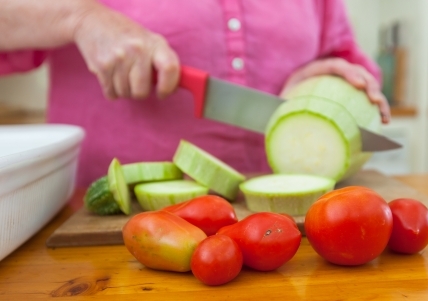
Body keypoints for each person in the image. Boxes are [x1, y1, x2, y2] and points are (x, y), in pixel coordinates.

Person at [0, 0, 390, 187]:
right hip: (109, 227)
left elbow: (340, 55)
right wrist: (80, 17)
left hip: (275, 226)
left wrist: (317, 79)